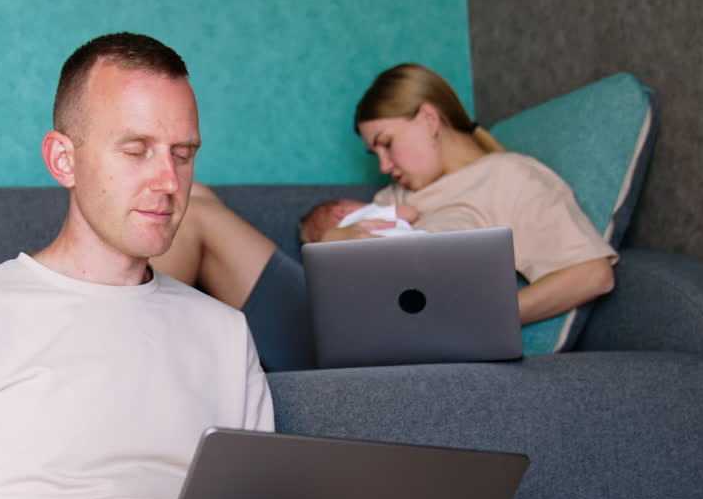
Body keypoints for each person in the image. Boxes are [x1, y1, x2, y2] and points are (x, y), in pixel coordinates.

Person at [0, 33, 639, 499]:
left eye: (182, 153)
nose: (165, 180)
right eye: (135, 149)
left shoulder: (217, 329)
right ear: (63, 159)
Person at [152, 64, 617, 372]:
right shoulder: (396, 194)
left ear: (430, 119)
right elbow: (318, 238)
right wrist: (337, 236)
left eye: (387, 143)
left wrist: (489, 318)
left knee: (190, 209)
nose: (382, 165)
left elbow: (592, 275)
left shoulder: (508, 177)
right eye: (374, 151)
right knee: (199, 194)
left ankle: (135, 361)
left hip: (372, 346)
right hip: (332, 317)